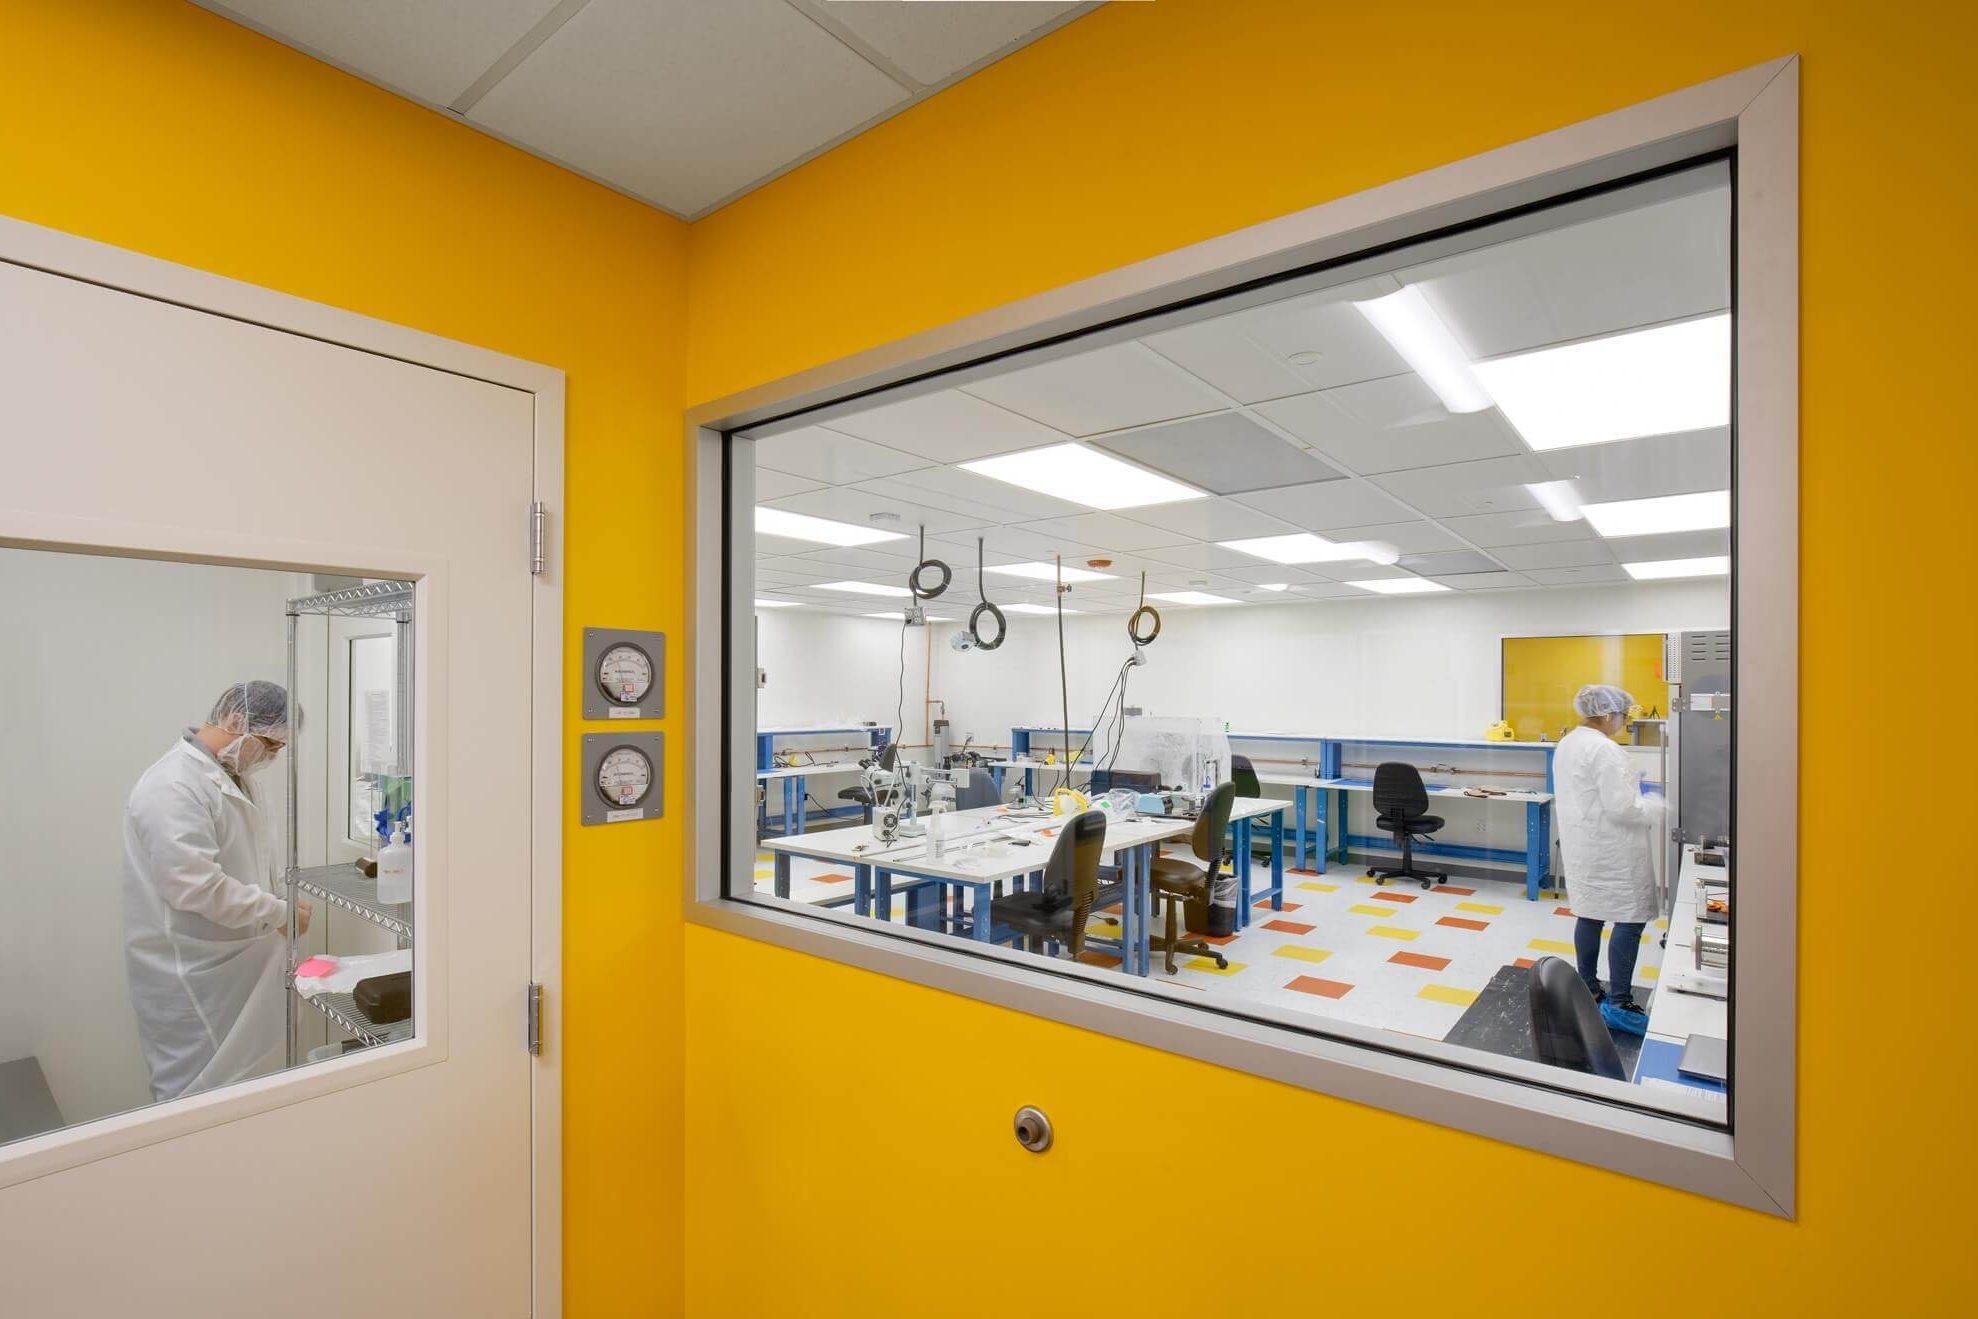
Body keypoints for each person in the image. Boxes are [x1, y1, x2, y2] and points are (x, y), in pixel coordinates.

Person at [122, 681, 310, 1102]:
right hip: (191, 968)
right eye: (269, 745)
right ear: (236, 721)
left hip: (238, 961)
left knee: (242, 1090)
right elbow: (193, 885)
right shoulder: (171, 786)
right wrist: (277, 912)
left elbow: (251, 857)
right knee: (191, 1092)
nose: (272, 757)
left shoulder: (234, 776)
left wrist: (278, 899)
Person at [1552, 683, 1662, 1036]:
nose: (1624, 722)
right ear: (1607, 713)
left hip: (1584, 844)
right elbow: (1623, 806)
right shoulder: (1604, 748)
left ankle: (1588, 986)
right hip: (1613, 848)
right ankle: (1620, 1003)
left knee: (1591, 913)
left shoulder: (1568, 742)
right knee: (1630, 919)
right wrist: (1657, 805)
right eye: (1623, 715)